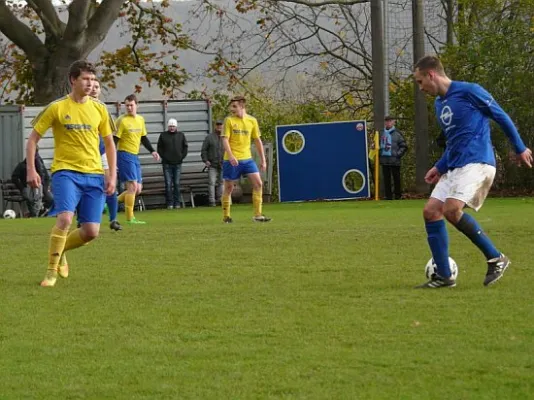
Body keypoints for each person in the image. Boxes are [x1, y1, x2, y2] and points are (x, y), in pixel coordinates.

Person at [413, 55, 532, 288]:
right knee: (431, 211)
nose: (420, 88)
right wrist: (439, 167)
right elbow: (455, 142)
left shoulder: (469, 91)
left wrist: (519, 148)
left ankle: (496, 257)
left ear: (431, 74)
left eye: (419, 82)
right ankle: (444, 277)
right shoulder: (439, 104)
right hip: (455, 166)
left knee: (451, 209)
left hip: (477, 163)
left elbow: (500, 115)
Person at [26, 60, 117, 287]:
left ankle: (61, 249)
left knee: (90, 232)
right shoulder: (57, 107)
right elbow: (33, 139)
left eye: (93, 80)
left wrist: (112, 175)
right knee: (65, 218)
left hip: (94, 174)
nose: (90, 84)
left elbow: (110, 144)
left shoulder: (100, 109)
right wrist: (31, 169)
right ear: (72, 80)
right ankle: (50, 272)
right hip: (66, 172)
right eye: (86, 79)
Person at [221, 96, 271, 223]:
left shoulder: (252, 121)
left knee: (258, 184)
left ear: (242, 106)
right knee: (229, 188)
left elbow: (257, 140)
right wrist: (231, 155)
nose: (232, 109)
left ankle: (258, 215)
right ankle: (226, 216)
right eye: (231, 106)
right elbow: (224, 139)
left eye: (234, 106)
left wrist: (263, 160)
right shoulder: (229, 120)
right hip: (231, 160)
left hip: (247, 159)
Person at [115, 94, 160, 223]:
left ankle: (110, 202)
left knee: (138, 189)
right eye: (127, 105)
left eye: (131, 105)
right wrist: (112, 160)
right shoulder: (121, 120)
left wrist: (152, 151)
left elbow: (143, 137)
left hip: (134, 155)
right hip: (124, 154)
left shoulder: (140, 119)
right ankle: (130, 218)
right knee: (132, 187)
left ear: (136, 105)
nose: (129, 108)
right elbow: (114, 140)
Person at [90, 80, 122, 231]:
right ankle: (83, 219)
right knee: (86, 186)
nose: (93, 89)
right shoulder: (78, 107)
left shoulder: (103, 109)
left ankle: (113, 219)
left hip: (101, 151)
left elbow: (110, 136)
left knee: (110, 184)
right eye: (91, 87)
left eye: (96, 87)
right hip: (85, 154)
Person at [11, 148, 53, 217]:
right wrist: (22, 188)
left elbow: (46, 177)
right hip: (27, 187)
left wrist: (46, 188)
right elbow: (14, 177)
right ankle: (33, 214)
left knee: (50, 199)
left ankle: (41, 212)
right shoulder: (22, 166)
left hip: (40, 187)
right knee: (30, 198)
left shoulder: (40, 164)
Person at [156, 118, 188, 209]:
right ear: (168, 126)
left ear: (176, 126)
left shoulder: (181, 135)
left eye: (173, 126)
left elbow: (185, 147)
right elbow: (159, 148)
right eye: (170, 126)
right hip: (166, 164)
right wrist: (164, 157)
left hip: (178, 163)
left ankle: (177, 203)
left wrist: (181, 157)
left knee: (177, 183)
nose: (172, 128)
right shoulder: (163, 135)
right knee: (168, 183)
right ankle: (169, 203)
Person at [379, 116, 408, 200]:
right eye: (386, 121)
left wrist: (397, 154)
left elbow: (404, 146)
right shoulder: (381, 133)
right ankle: (388, 196)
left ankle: (398, 195)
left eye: (389, 121)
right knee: (386, 179)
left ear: (393, 122)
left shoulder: (397, 133)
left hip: (395, 160)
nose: (388, 123)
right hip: (384, 159)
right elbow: (377, 144)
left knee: (396, 178)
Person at [201, 120, 224, 207]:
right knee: (211, 182)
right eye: (218, 125)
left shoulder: (226, 137)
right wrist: (206, 160)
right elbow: (204, 150)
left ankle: (221, 199)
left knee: (221, 182)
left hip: (223, 163)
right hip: (212, 164)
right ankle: (211, 201)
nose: (219, 127)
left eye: (221, 125)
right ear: (215, 126)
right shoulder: (209, 137)